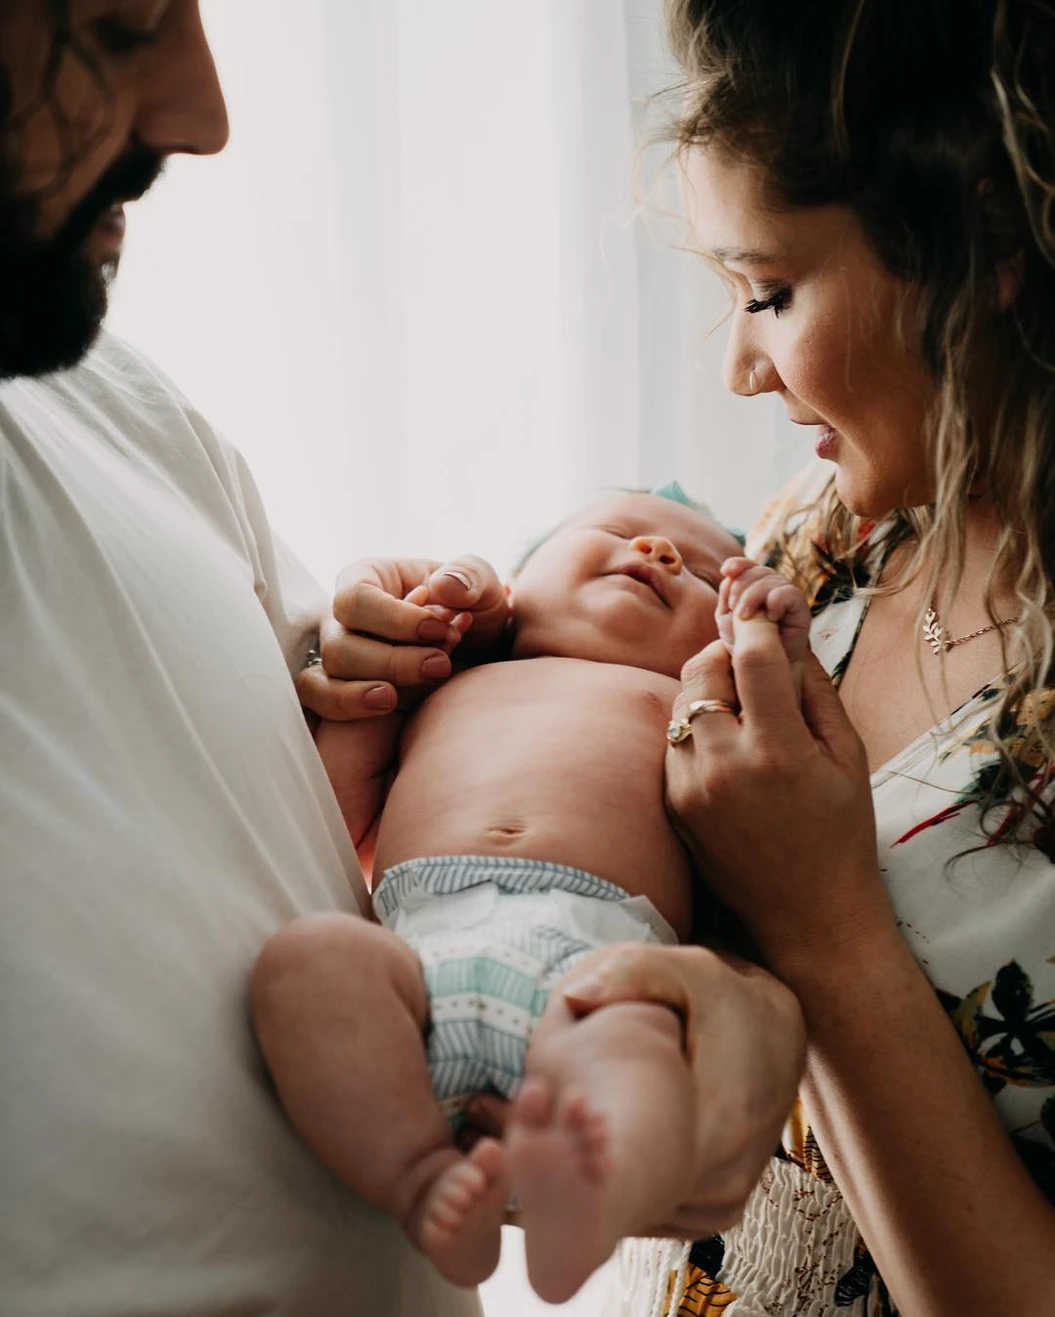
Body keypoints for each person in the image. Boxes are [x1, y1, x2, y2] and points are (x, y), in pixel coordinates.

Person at [0, 4, 806, 1314]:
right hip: (416, 969)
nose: (204, 114)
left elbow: (323, 828)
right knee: (307, 978)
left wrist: (748, 1005)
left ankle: (566, 1180)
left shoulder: (137, 422)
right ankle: (424, 1172)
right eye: (119, 20)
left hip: (581, 966)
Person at [307, 1, 1055, 1312]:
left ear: (984, 241)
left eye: (768, 291)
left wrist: (821, 927)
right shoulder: (814, 553)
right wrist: (402, 682)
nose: (736, 372)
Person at [251, 489, 810, 1305]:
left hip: (600, 973)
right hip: (407, 967)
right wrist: (398, 663)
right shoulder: (457, 682)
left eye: (702, 572)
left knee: (638, 1048)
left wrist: (776, 652)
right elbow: (324, 823)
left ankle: (590, 1204)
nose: (657, 552)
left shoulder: (692, 713)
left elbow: (770, 810)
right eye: (620, 532)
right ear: (517, 581)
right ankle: (422, 1182)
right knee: (305, 960)